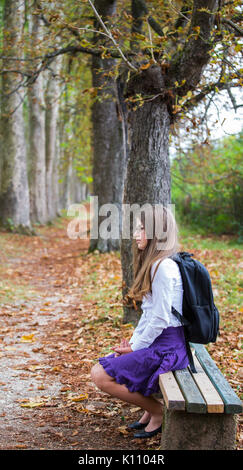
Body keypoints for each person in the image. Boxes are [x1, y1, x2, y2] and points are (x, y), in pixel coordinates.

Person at [91, 205, 189, 439]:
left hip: (168, 347)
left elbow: (160, 319)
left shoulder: (162, 267)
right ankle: (150, 410)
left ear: (158, 232)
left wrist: (136, 347)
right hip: (161, 342)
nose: (136, 234)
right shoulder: (157, 263)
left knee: (100, 375)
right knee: (110, 364)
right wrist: (133, 343)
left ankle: (157, 411)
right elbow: (148, 314)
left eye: (142, 229)